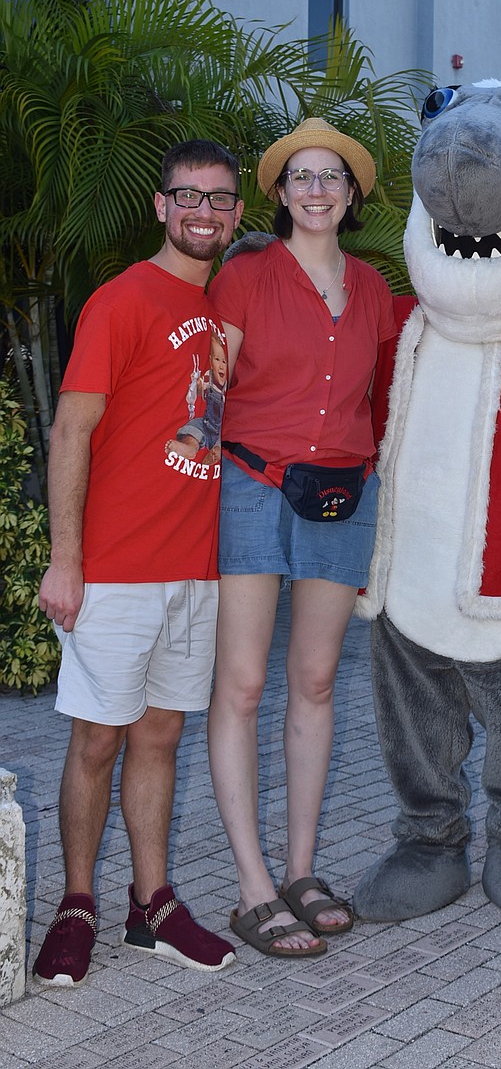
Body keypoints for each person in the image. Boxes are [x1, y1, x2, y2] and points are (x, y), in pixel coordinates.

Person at [33, 140, 244, 987]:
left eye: (220, 200)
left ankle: (150, 906)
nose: (204, 213)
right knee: (97, 740)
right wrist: (66, 560)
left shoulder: (226, 302)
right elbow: (70, 431)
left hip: (195, 569)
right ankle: (76, 903)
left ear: (235, 214)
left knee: (161, 733)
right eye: (188, 197)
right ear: (161, 206)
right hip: (116, 567)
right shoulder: (121, 301)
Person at [207, 117, 395, 958]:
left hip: (343, 496)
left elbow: (384, 399)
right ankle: (251, 888)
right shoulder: (245, 277)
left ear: (351, 195)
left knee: (315, 682)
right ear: (279, 193)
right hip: (251, 486)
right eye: (301, 177)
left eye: (332, 178)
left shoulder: (377, 290)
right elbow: (207, 389)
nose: (317, 191)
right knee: (243, 685)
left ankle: (301, 870)